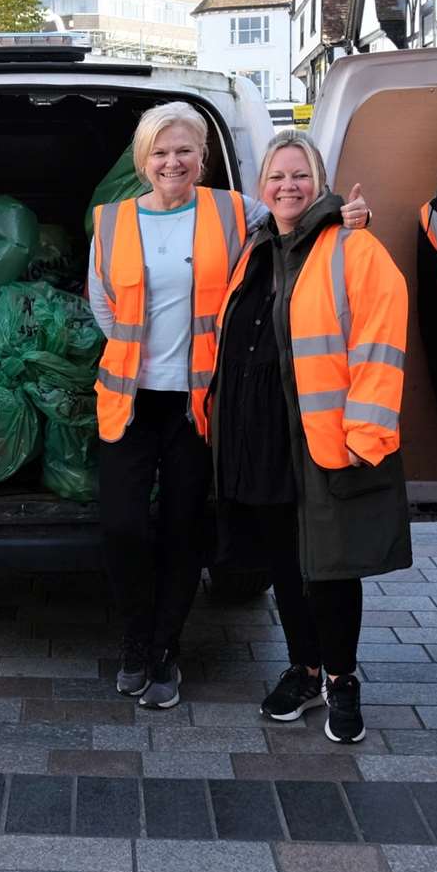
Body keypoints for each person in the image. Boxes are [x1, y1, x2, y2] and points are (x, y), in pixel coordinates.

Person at [90, 102, 367, 710]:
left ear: (203, 157)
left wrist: (348, 218)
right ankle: (137, 633)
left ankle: (163, 650)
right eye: (160, 152)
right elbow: (103, 306)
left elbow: (299, 224)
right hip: (131, 400)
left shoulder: (237, 209)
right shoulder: (111, 222)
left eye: (184, 150)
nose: (173, 162)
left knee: (185, 530)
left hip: (201, 403)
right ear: (143, 160)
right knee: (122, 526)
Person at [201, 130, 411, 741]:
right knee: (287, 564)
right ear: (261, 188)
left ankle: (343, 680)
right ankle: (305, 665)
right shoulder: (257, 247)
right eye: (276, 177)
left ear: (320, 182)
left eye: (299, 175)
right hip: (260, 436)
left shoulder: (353, 245)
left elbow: (380, 342)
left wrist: (365, 434)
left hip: (323, 438)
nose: (287, 186)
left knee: (332, 566)